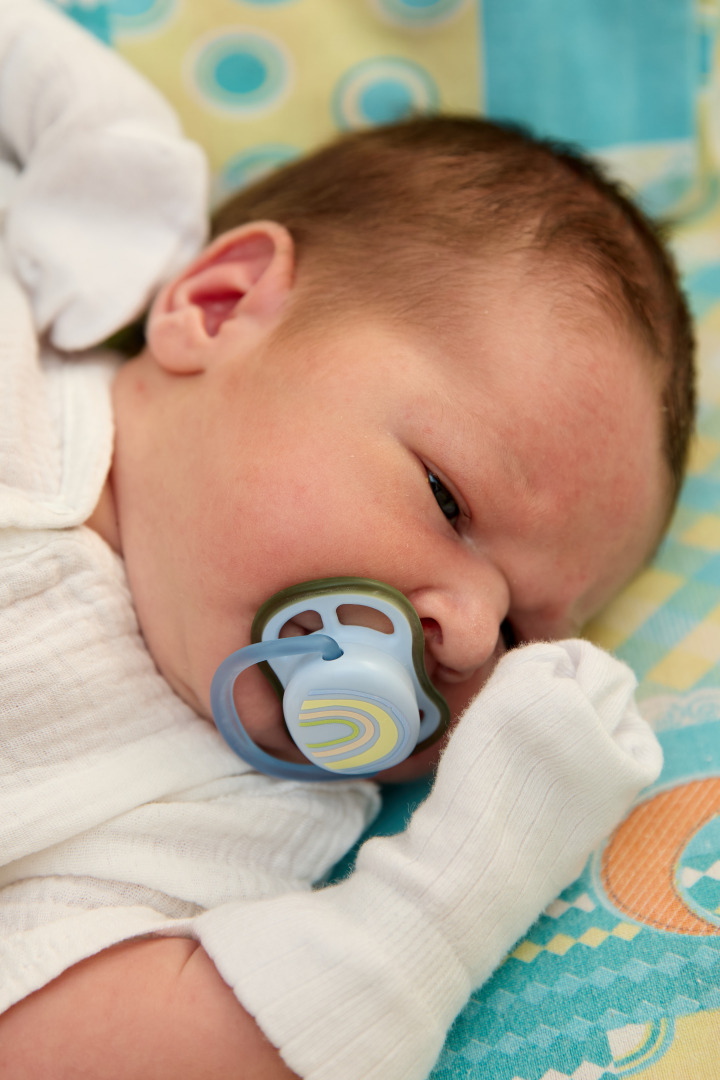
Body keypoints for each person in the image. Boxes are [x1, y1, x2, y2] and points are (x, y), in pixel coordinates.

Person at [0, 2, 693, 1078]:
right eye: (448, 499)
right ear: (223, 308)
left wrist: (450, 901)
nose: (467, 633)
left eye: (521, 633)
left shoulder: (233, 823)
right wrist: (92, 141)